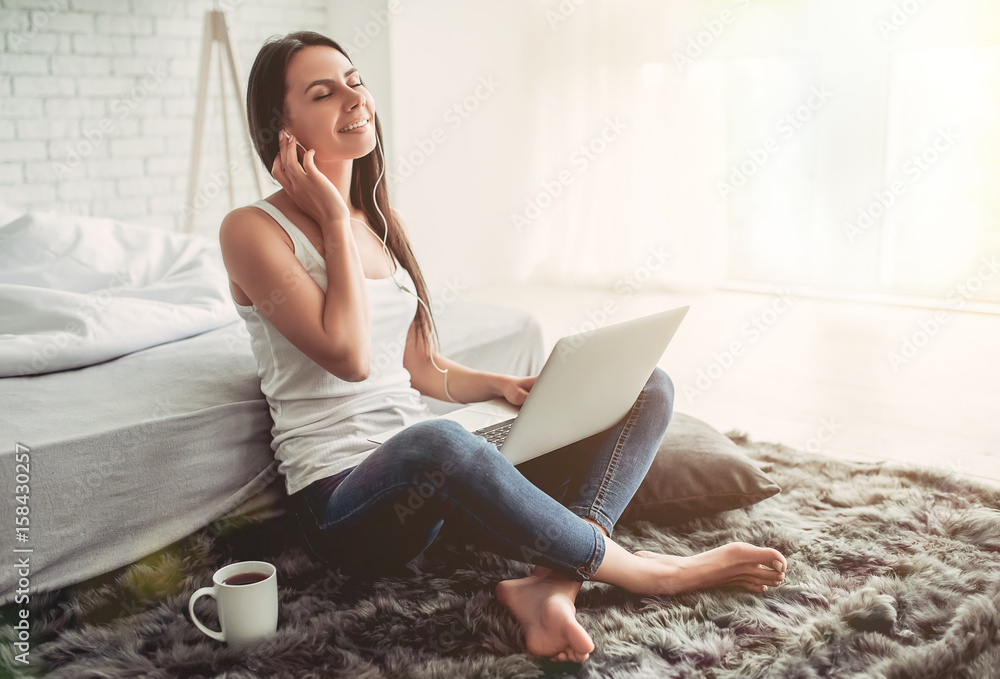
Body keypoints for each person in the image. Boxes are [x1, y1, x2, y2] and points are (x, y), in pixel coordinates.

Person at [219, 30, 788, 664]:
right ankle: (644, 570)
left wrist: (502, 387)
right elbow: (350, 358)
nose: (354, 100)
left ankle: (553, 585)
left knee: (646, 385)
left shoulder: (375, 221)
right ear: (281, 129)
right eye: (323, 93)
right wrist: (329, 220)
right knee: (440, 442)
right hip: (348, 506)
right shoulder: (252, 229)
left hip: (433, 485)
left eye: (355, 82)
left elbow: (418, 367)